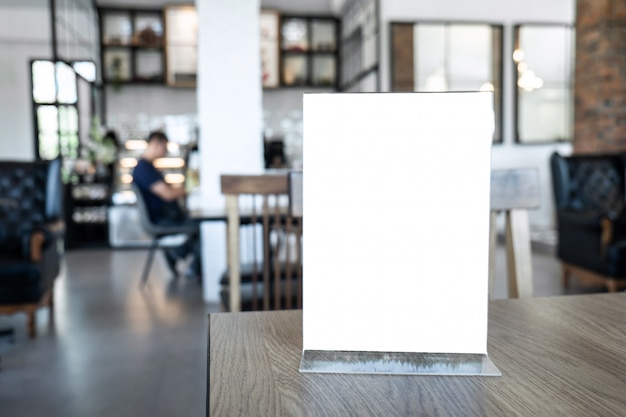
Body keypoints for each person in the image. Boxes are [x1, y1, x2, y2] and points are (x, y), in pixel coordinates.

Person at [132, 131, 201, 280]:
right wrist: (189, 189)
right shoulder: (144, 169)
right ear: (156, 143)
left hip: (165, 215)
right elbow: (167, 194)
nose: (165, 152)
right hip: (161, 219)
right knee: (200, 227)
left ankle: (176, 254)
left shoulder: (149, 167)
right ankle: (192, 268)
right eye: (165, 148)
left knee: (199, 225)